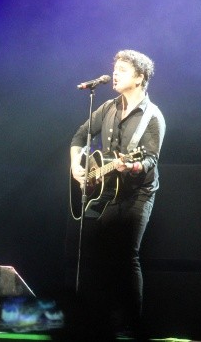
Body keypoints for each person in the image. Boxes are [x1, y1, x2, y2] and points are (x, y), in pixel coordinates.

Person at [69, 50, 165, 340]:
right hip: (110, 191)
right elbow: (79, 137)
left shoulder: (152, 117)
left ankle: (132, 326)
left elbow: (149, 160)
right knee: (100, 254)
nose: (115, 74)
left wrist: (130, 165)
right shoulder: (108, 107)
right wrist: (76, 166)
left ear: (139, 77)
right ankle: (104, 322)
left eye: (123, 70)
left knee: (127, 256)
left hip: (139, 193)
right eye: (115, 69)